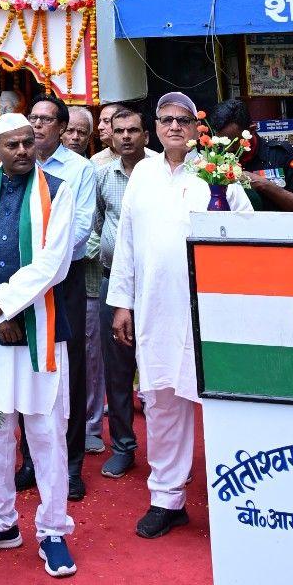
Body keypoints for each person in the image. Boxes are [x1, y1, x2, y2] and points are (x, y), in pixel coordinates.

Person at [107, 92, 251, 539]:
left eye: (183, 120)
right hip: (155, 308)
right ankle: (167, 499)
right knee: (161, 401)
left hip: (209, 309)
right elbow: (127, 242)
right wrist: (122, 303)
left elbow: (245, 234)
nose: (174, 126)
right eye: (166, 119)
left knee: (221, 402)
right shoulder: (144, 174)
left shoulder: (217, 170)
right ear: (155, 127)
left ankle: (240, 501)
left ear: (196, 128)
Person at [0, 115, 77, 578]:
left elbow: (55, 262)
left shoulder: (59, 190)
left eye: (29, 142)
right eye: (13, 144)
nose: (24, 150)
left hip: (39, 330)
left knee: (46, 433)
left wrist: (4, 305)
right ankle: (0, 521)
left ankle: (53, 530)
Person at [23, 96, 96, 500]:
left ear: (62, 127)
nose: (37, 125)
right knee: (27, 364)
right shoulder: (16, 164)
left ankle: (71, 464)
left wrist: (44, 264)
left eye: (46, 120)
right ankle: (30, 460)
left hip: (64, 279)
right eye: (33, 118)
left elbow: (81, 228)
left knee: (69, 368)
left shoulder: (80, 170)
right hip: (23, 281)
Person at [93, 106, 151, 478]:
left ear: (146, 134)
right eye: (119, 131)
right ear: (111, 136)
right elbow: (96, 224)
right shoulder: (102, 175)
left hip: (155, 285)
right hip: (111, 283)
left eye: (133, 130)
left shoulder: (160, 173)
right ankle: (124, 447)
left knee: (158, 370)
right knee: (117, 371)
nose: (126, 137)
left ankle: (166, 453)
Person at [62, 108, 104, 457]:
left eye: (81, 133)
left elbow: (90, 225)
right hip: (44, 277)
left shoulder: (88, 169)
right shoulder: (27, 166)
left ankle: (89, 427)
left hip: (83, 276)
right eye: (71, 131)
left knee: (86, 357)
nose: (75, 137)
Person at [208, 100, 293, 211]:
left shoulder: (282, 154)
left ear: (251, 130)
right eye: (222, 143)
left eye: (233, 143)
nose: (227, 149)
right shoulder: (214, 160)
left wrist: (264, 185)